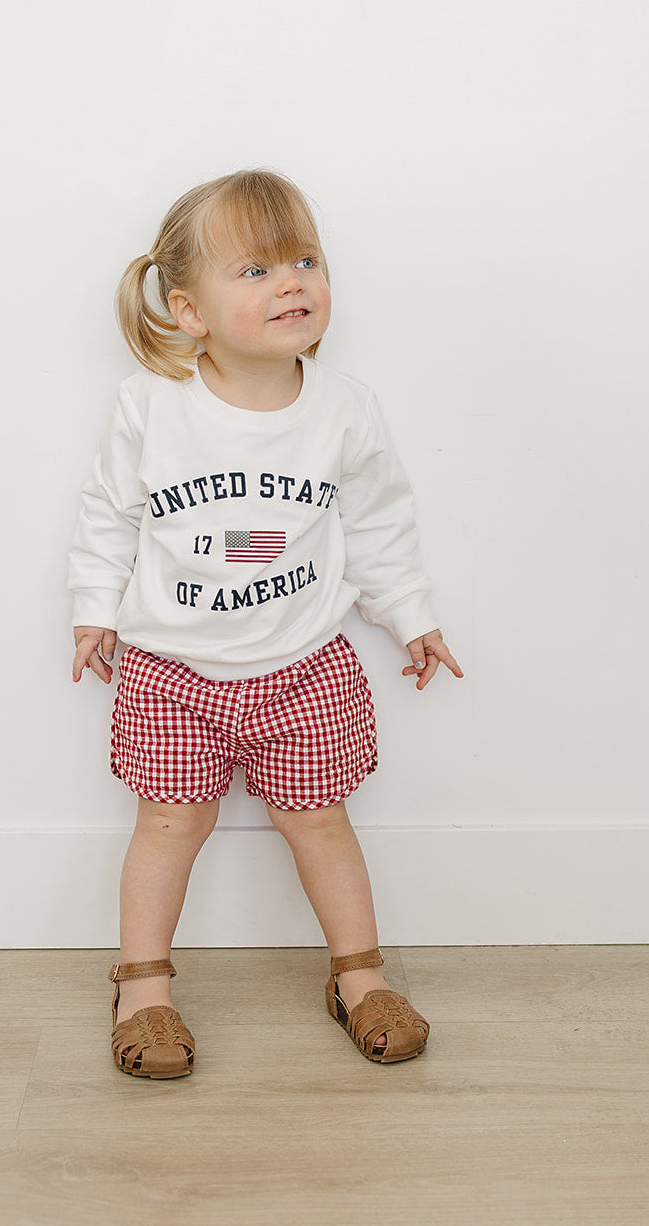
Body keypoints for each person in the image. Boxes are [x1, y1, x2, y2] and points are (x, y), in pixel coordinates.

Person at [68, 169, 464, 1079]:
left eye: (305, 261)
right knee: (168, 826)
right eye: (255, 270)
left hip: (304, 666)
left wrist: (409, 614)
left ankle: (359, 976)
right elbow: (108, 514)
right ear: (188, 310)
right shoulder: (150, 402)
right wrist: (93, 608)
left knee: (320, 822)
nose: (291, 283)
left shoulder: (343, 406)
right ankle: (143, 989)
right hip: (171, 671)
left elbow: (378, 521)